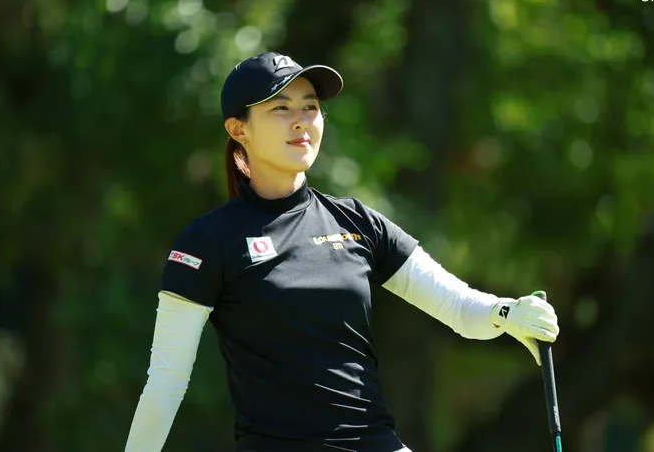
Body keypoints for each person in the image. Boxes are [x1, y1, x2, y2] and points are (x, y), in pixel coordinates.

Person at [124, 52, 560, 452]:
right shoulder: (207, 241)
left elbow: (459, 308)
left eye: (310, 107)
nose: (301, 122)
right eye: (281, 109)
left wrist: (506, 313)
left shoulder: (357, 222)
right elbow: (166, 382)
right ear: (239, 129)